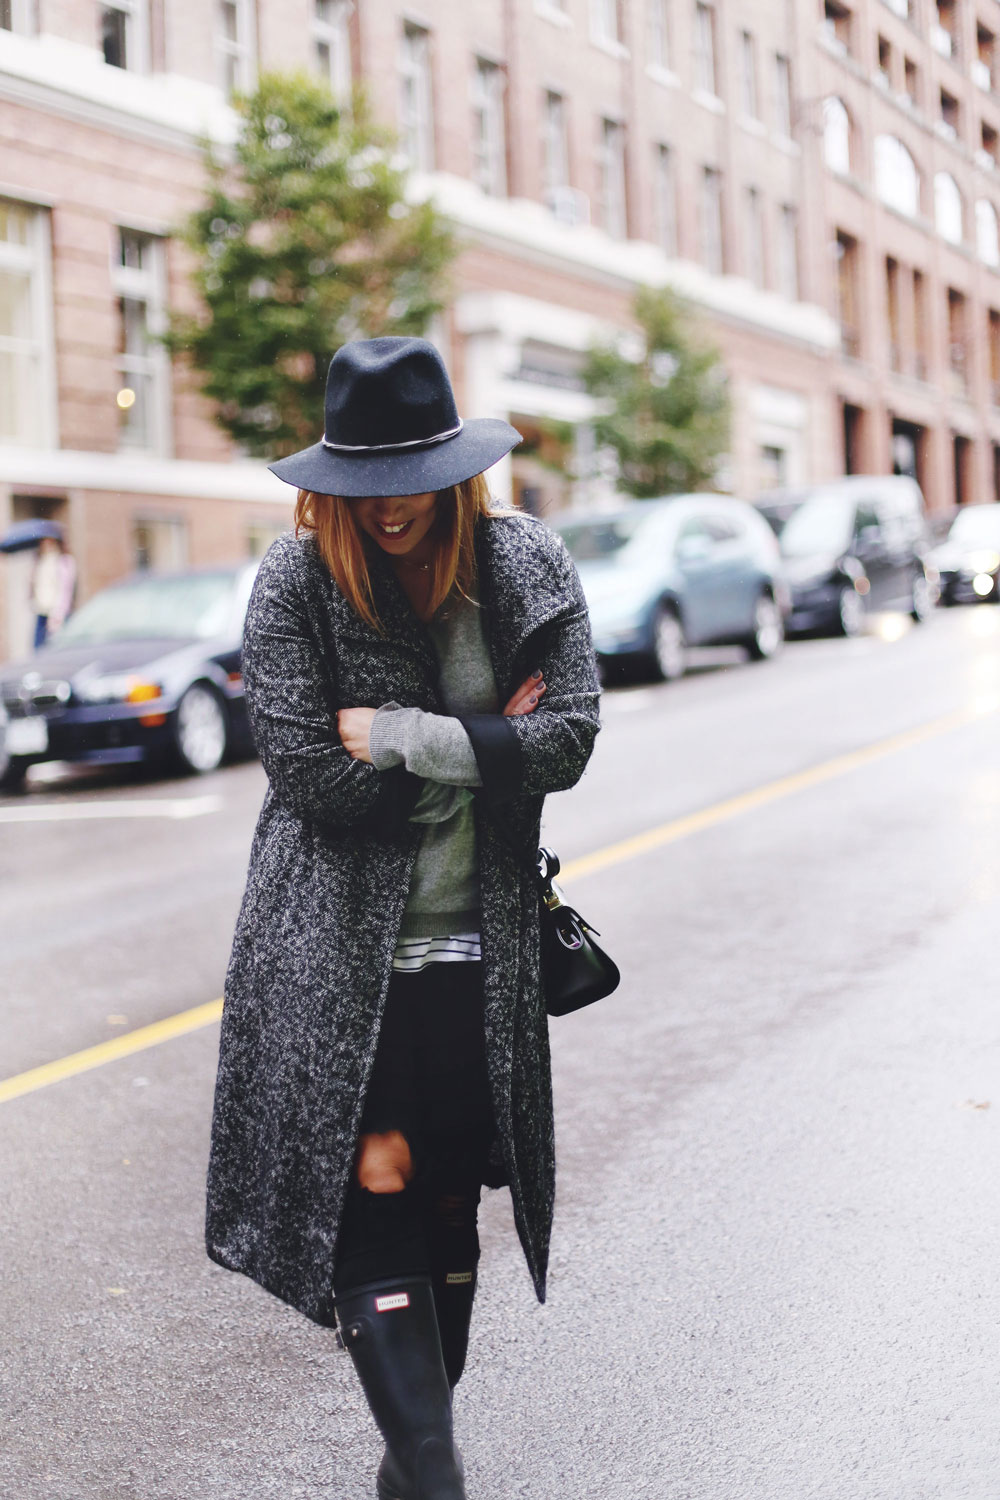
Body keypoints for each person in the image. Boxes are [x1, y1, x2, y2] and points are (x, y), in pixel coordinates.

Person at [205, 337, 600, 1500]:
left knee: (443, 1205)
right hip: (336, 958)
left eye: (412, 485)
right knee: (372, 1184)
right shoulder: (293, 583)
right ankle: (432, 1470)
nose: (389, 513)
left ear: (457, 469)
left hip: (483, 953)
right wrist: (492, 747)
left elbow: (566, 742)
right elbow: (309, 778)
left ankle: (408, 1456)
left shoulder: (522, 563)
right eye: (362, 491)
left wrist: (398, 732)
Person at [29, 534, 76, 647]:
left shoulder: (63, 561)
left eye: (49, 542)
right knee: (38, 645)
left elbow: (66, 588)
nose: (46, 546)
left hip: (56, 610)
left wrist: (59, 612)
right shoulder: (40, 561)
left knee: (58, 644)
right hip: (42, 609)